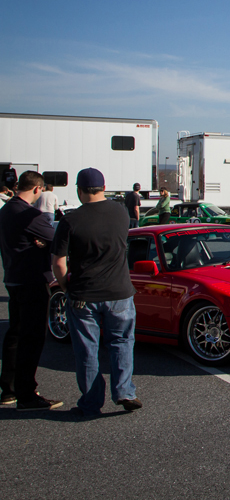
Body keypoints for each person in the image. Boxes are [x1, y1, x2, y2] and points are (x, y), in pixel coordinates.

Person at [51, 168, 141, 416]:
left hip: (84, 294)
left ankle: (91, 403)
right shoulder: (120, 212)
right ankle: (124, 391)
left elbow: (59, 262)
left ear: (80, 190)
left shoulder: (71, 220)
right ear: (103, 187)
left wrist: (65, 286)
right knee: (122, 342)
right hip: (120, 291)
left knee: (87, 349)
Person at [0, 171, 63, 411]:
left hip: (13, 278)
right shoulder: (30, 215)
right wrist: (42, 243)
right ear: (37, 189)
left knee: (15, 334)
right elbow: (56, 239)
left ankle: (8, 389)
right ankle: (27, 393)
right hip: (33, 280)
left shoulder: (5, 211)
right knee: (33, 337)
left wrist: (38, 242)